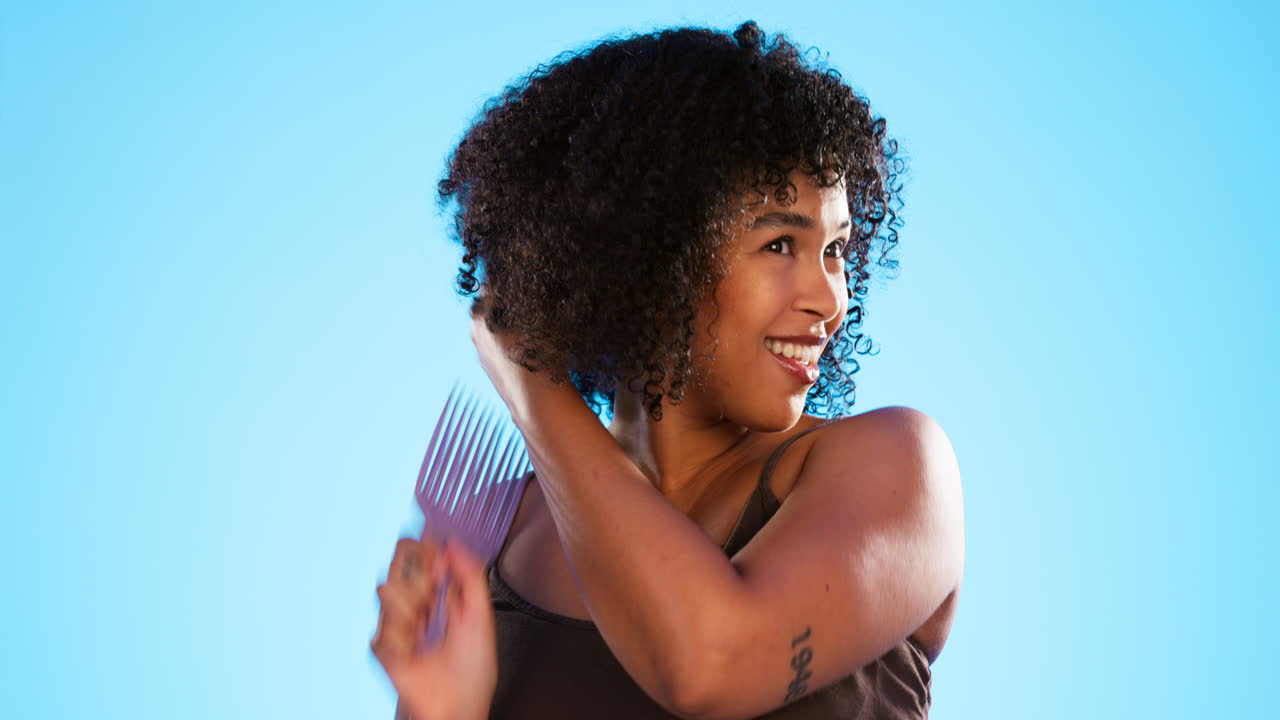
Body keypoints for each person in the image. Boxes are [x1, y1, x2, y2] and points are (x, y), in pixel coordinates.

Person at [371, 20, 965, 719]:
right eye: (780, 244)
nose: (830, 297)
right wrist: (438, 710)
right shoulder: (497, 534)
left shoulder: (894, 469)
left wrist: (532, 383)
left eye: (835, 249)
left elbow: (712, 666)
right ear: (649, 260)